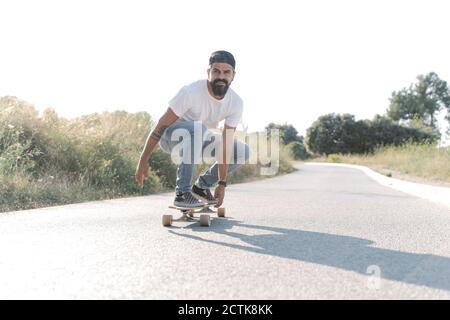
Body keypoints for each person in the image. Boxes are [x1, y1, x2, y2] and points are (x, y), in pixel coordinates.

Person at [135, 50, 250, 208]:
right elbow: (161, 125)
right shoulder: (191, 92)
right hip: (171, 138)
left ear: (233, 75)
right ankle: (182, 193)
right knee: (198, 128)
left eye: (226, 72)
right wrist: (143, 160)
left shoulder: (236, 102)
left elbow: (225, 144)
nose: (221, 77)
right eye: (216, 71)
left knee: (242, 151)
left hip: (199, 138)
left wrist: (222, 183)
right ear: (209, 72)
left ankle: (201, 186)